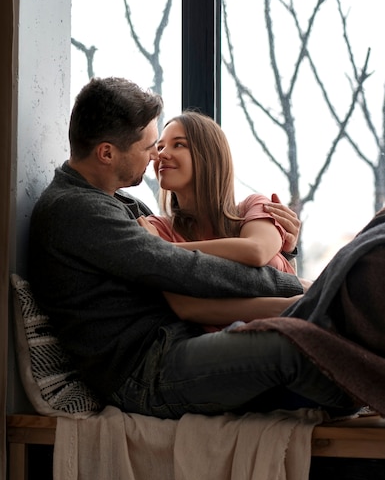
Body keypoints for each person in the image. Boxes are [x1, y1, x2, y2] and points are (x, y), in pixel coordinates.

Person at [28, 76, 356, 420]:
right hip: (146, 372)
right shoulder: (77, 210)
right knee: (286, 348)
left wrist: (288, 263)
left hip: (175, 346)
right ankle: (365, 395)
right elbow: (184, 269)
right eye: (149, 146)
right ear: (107, 153)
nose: (156, 156)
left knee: (320, 332)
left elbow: (191, 261)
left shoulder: (115, 203)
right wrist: (298, 287)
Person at [138, 111, 298, 327]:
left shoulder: (254, 206)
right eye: (160, 147)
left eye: (178, 145)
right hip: (238, 348)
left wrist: (165, 250)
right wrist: (289, 306)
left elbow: (256, 251)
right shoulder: (156, 228)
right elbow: (187, 308)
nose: (161, 154)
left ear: (208, 155)